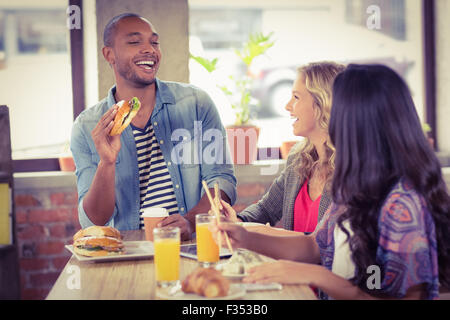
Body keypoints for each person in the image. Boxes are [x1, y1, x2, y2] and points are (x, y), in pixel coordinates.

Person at [213, 64, 450, 299]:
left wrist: (317, 276)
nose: (332, 120)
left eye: (339, 113)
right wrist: (245, 237)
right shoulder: (355, 184)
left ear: (361, 123)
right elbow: (315, 246)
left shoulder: (403, 203)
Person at [70, 13, 237, 240]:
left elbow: (221, 179)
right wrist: (107, 162)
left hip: (193, 247)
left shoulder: (197, 103)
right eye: (134, 42)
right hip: (127, 253)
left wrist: (190, 222)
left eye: (154, 42)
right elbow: (93, 220)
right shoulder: (85, 127)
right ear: (109, 54)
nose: (149, 49)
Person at [223, 62, 344, 234]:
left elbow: (324, 245)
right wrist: (238, 220)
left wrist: (263, 236)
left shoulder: (352, 169)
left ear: (322, 103)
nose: (288, 106)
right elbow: (266, 209)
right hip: (289, 261)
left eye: (296, 97)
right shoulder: (299, 157)